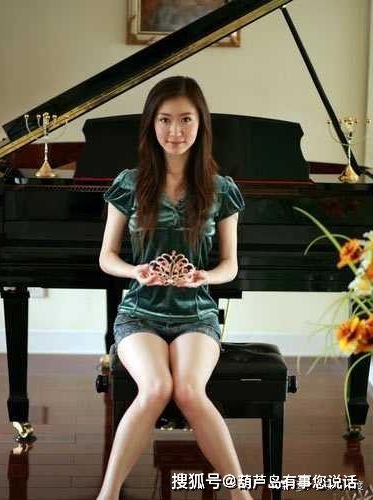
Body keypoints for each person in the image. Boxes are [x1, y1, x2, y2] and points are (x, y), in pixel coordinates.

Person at [97, 76, 252, 500]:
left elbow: (230, 265)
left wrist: (205, 276)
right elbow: (106, 257)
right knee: (156, 388)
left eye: (186, 119)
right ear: (151, 124)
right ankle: (107, 495)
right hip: (139, 314)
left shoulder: (221, 189)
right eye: (165, 120)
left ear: (201, 124)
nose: (175, 131)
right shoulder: (129, 183)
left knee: (188, 390)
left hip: (196, 314)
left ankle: (241, 495)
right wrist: (136, 271)